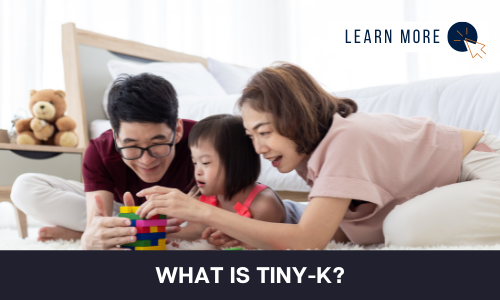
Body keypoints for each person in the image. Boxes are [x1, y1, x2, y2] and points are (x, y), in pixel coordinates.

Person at [132, 62, 500, 250]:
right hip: (459, 181)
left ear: (295, 119)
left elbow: (310, 240)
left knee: (402, 230)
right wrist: (246, 233)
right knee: (382, 230)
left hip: (484, 167)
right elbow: (335, 232)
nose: (258, 148)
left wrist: (200, 210)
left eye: (264, 132)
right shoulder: (315, 155)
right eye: (251, 136)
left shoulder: (345, 139)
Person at [11, 73, 195, 249]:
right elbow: (98, 218)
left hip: (181, 213)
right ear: (116, 137)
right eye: (131, 145)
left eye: (158, 143)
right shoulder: (101, 149)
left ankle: (120, 234)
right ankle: (128, 232)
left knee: (203, 222)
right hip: (120, 208)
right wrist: (91, 237)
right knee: (24, 187)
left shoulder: (204, 141)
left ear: (177, 130)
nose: (146, 160)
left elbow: (212, 216)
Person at [167, 114, 305, 249]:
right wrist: (161, 237)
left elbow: (258, 245)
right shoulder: (201, 194)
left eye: (205, 162)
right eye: (194, 162)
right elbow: (195, 230)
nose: (197, 171)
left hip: (304, 218)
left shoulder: (263, 205)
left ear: (236, 163)